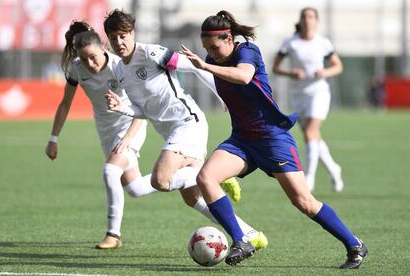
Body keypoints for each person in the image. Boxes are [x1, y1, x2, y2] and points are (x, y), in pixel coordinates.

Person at [181, 10, 367, 268]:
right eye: (206, 49)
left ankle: (354, 245)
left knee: (304, 202)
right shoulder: (213, 59)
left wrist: (206, 65)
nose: (210, 53)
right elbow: (223, 80)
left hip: (272, 139)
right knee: (205, 177)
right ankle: (241, 240)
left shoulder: (247, 51)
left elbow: (244, 76)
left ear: (230, 39)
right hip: (242, 140)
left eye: (214, 47)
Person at [103, 9, 268, 250]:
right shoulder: (120, 70)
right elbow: (143, 110)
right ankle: (250, 233)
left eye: (123, 35)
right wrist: (123, 108)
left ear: (132, 33)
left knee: (161, 180)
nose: (119, 42)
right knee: (193, 199)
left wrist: (221, 93)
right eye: (113, 37)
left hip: (188, 124)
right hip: (171, 132)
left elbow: (195, 66)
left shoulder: (151, 53)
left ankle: (215, 174)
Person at [45, 21, 156, 249]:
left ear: (103, 47)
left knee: (109, 170)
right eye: (84, 59)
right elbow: (65, 104)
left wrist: (126, 139)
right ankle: (188, 176)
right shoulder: (75, 68)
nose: (90, 63)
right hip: (106, 132)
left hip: (130, 125)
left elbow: (141, 106)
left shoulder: (119, 66)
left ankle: (113, 235)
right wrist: (53, 138)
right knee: (136, 188)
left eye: (93, 57)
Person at [272, 7, 344, 192]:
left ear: (317, 21)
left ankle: (308, 178)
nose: (307, 20)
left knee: (312, 130)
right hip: (298, 95)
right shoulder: (291, 42)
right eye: (304, 16)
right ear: (300, 20)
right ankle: (333, 168)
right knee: (311, 136)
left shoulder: (323, 43)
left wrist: (325, 72)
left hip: (318, 92)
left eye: (311, 17)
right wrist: (291, 73)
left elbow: (337, 66)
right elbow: (276, 67)